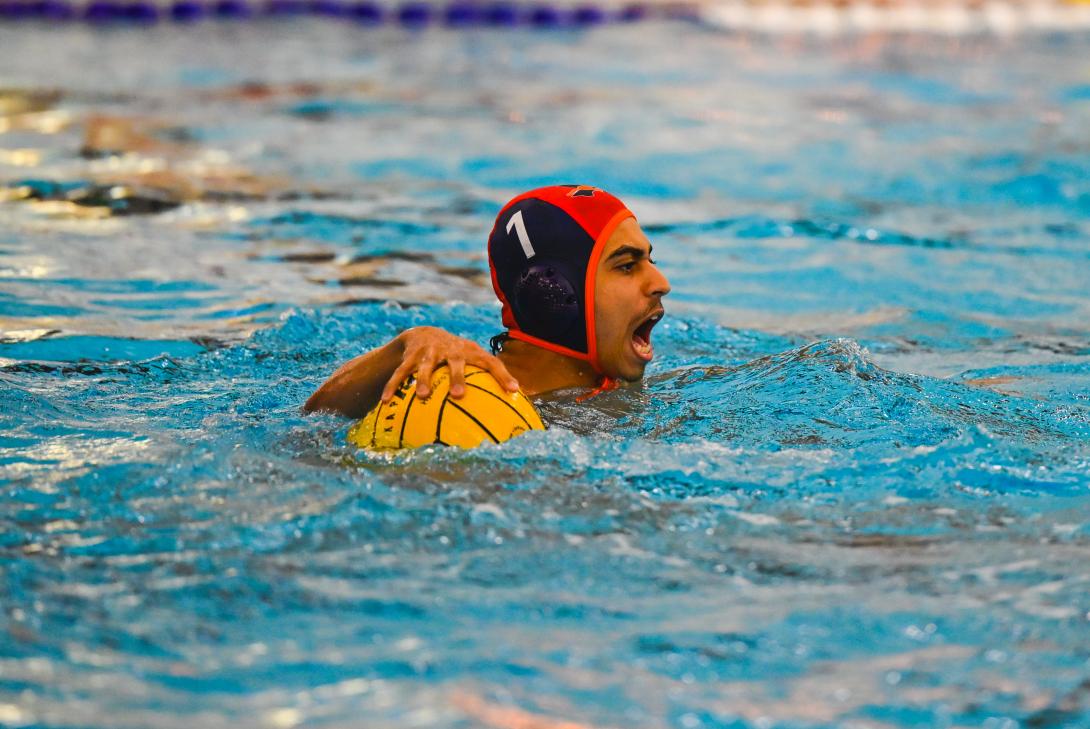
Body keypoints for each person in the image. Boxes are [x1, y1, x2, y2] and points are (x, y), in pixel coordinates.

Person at [304, 184, 670, 419]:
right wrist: (406, 345)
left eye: (649, 261)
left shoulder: (624, 391)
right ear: (552, 291)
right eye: (626, 266)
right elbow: (315, 418)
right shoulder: (455, 400)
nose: (660, 283)